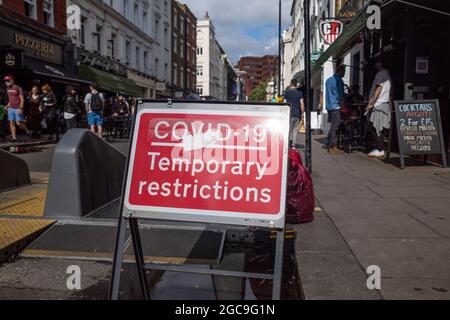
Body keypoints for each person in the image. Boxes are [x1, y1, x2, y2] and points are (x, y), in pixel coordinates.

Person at [366, 58, 392, 158]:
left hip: (379, 104)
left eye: (376, 63)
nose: (375, 65)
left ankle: (379, 149)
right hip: (383, 103)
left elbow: (379, 89)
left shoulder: (381, 74)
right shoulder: (388, 75)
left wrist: (371, 103)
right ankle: (378, 147)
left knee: (374, 126)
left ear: (380, 63)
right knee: (377, 127)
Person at [325, 65, 346, 154]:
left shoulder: (328, 80)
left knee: (332, 126)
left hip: (329, 106)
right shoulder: (339, 81)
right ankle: (332, 146)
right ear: (340, 71)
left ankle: (330, 143)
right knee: (335, 126)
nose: (344, 73)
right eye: (343, 71)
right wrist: (343, 106)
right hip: (335, 106)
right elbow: (340, 95)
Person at [3, 75, 30, 142]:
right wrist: (7, 105)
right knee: (11, 123)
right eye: (5, 81)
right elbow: (11, 99)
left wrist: (21, 108)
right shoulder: (7, 89)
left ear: (12, 80)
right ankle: (14, 138)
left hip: (18, 108)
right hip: (11, 108)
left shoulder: (18, 88)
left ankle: (27, 130)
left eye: (8, 80)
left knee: (18, 123)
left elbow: (22, 99)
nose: (6, 82)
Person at [283, 79, 304, 148]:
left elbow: (285, 102)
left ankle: (288, 143)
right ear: (296, 84)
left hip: (288, 113)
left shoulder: (287, 92)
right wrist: (302, 113)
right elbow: (302, 103)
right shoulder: (300, 93)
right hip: (297, 113)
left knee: (288, 129)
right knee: (295, 130)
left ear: (291, 83)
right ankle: (293, 145)